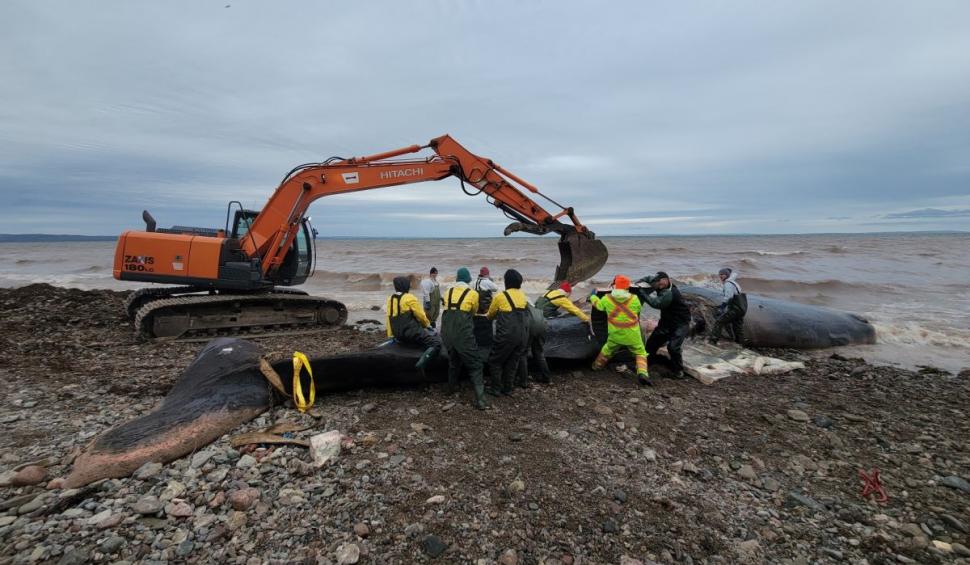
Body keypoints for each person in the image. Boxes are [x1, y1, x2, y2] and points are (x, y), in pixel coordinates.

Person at [440, 267, 488, 410]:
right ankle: (481, 400)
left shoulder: (448, 291)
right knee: (475, 364)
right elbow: (473, 311)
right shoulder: (473, 293)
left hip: (446, 332)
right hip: (463, 333)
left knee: (454, 359)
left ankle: (450, 388)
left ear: (457, 279)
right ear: (468, 279)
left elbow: (446, 307)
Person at [589, 275, 651, 385]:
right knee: (640, 352)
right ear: (627, 287)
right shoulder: (634, 298)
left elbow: (599, 306)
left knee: (607, 350)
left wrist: (593, 296)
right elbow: (638, 309)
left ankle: (596, 366)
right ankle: (643, 373)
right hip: (633, 335)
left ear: (614, 286)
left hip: (615, 334)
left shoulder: (607, 298)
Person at [528, 282, 590, 383]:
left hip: (534, 315)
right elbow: (575, 310)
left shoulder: (549, 293)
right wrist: (586, 318)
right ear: (568, 292)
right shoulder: (562, 298)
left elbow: (541, 305)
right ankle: (546, 376)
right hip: (543, 320)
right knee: (539, 351)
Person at [637, 271, 692, 379]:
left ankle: (678, 371)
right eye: (657, 282)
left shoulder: (670, 292)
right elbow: (648, 277)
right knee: (651, 343)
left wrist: (641, 293)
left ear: (667, 280)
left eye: (660, 282)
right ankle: (646, 364)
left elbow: (656, 303)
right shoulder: (658, 283)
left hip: (680, 323)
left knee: (673, 347)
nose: (658, 285)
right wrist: (638, 283)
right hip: (666, 322)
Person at [486, 269, 530, 395]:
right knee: (513, 361)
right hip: (523, 335)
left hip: (507, 335)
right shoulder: (523, 296)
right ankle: (508, 388)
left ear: (506, 282)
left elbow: (490, 315)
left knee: (495, 361)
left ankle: (496, 389)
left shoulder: (500, 296)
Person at [385, 276, 441, 372]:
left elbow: (388, 318)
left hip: (397, 333)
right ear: (405, 286)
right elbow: (421, 315)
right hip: (411, 333)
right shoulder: (409, 298)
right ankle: (421, 364)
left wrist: (390, 335)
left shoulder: (390, 299)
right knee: (436, 344)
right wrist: (427, 326)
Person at [709, 267, 747, 345]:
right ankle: (740, 343)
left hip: (735, 309)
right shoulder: (733, 282)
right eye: (720, 274)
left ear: (727, 275)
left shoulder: (728, 284)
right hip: (742, 308)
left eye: (723, 274)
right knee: (737, 326)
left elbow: (729, 297)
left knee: (719, 321)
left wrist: (722, 307)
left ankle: (713, 341)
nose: (721, 276)